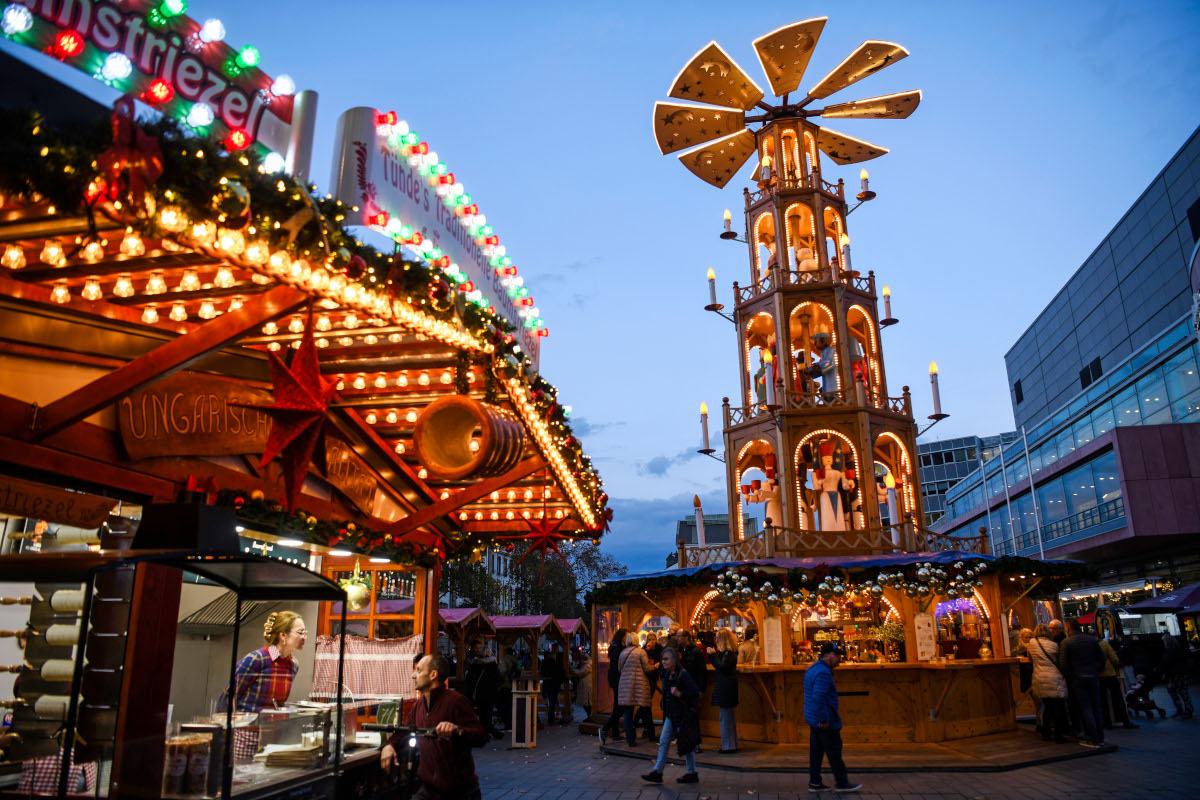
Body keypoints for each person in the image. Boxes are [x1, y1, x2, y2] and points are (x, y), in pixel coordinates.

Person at [380, 653, 488, 800]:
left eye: (418, 671)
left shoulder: (455, 701)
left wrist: (456, 730)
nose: (413, 675)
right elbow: (403, 731)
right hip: (429, 789)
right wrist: (389, 745)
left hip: (460, 792)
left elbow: (480, 736)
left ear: (433, 675)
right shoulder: (419, 706)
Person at [218, 611, 306, 761]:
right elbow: (228, 697)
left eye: (305, 633)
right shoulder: (257, 659)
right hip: (245, 734)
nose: (304, 637)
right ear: (283, 635)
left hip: (272, 734)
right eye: (300, 632)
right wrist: (224, 735)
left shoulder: (293, 664)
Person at [803, 643, 862, 793]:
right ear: (827, 655)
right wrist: (824, 718)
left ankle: (815, 782)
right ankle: (842, 783)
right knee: (834, 751)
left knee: (816, 753)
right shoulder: (823, 673)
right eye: (836, 656)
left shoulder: (813, 668)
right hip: (824, 719)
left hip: (813, 718)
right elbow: (819, 697)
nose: (839, 659)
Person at [640, 647, 700, 785]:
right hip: (671, 715)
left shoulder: (682, 675)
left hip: (682, 716)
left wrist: (681, 694)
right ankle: (658, 771)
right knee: (664, 741)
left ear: (674, 659)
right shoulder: (667, 675)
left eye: (666, 659)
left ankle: (691, 773)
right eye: (662, 659)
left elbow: (694, 693)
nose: (663, 662)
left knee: (686, 745)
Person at [1059, 618, 1105, 747]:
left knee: (1085, 708)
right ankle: (1100, 736)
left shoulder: (1066, 642)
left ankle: (1093, 737)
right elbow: (1102, 658)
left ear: (1068, 628)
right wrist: (1096, 670)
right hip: (1092, 675)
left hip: (1077, 678)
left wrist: (1069, 675)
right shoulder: (1091, 640)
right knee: (1096, 706)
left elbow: (1063, 664)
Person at [1028, 623, 1069, 743]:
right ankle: (1059, 734)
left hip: (1039, 677)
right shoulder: (1054, 645)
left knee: (1047, 707)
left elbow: (1030, 658)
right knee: (1058, 708)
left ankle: (1046, 733)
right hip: (1054, 677)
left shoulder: (1031, 643)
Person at [616, 632, 654, 746]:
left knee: (628, 712)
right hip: (640, 684)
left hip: (626, 685)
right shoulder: (641, 652)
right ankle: (651, 736)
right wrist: (655, 666)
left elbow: (619, 669)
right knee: (646, 709)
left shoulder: (623, 653)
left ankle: (630, 739)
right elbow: (647, 669)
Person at [707, 628, 740, 753]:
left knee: (725, 717)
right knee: (728, 717)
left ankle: (728, 746)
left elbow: (721, 667)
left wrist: (713, 655)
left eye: (717, 638)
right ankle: (732, 744)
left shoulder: (728, 654)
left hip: (725, 687)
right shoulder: (730, 653)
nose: (715, 640)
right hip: (729, 687)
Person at [464, 639, 503, 739]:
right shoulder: (492, 664)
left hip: (479, 694)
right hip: (489, 693)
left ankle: (483, 732)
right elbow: (498, 678)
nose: (478, 650)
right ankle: (486, 731)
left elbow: (469, 679)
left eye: (479, 648)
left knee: (482, 714)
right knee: (487, 714)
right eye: (477, 648)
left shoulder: (474, 663)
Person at [1097, 633, 1137, 729]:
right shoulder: (1105, 644)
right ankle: (1124, 720)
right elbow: (1114, 659)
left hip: (1099, 676)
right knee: (1118, 698)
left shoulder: (1091, 646)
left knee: (1103, 701)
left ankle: (1107, 722)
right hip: (1110, 674)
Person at [598, 627, 628, 745]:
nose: (627, 638)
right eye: (626, 636)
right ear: (622, 637)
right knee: (620, 707)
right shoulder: (618, 650)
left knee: (617, 706)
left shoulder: (616, 648)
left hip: (615, 679)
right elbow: (618, 667)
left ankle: (615, 733)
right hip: (618, 680)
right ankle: (605, 728)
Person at [1160, 631, 1194, 719]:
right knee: (1182, 691)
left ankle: (1181, 709)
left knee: (1174, 691)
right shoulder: (1178, 650)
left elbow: (1166, 663)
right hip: (1180, 673)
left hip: (1174, 674)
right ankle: (1188, 709)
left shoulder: (1169, 652)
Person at [641, 633, 663, 741]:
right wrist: (646, 650)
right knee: (645, 703)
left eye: (653, 639)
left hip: (653, 678)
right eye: (649, 639)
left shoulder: (660, 649)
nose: (651, 641)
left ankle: (643, 727)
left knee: (646, 703)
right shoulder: (643, 650)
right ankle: (645, 728)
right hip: (645, 678)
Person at [540, 646, 567, 725]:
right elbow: (561, 672)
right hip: (554, 685)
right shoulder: (555, 663)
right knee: (552, 702)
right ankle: (551, 718)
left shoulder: (544, 663)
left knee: (550, 701)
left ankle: (551, 717)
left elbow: (542, 672)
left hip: (547, 684)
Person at [572, 647, 593, 717]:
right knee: (586, 703)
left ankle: (590, 716)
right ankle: (589, 716)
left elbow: (582, 672)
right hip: (585, 685)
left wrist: (574, 671)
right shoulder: (586, 664)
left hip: (587, 685)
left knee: (587, 703)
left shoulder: (588, 664)